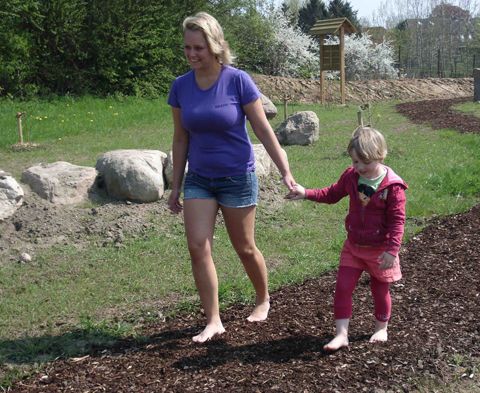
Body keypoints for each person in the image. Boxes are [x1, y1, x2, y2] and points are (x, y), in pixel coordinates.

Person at [167, 12, 296, 343]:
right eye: (187, 48)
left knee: (244, 247)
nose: (192, 54)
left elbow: (263, 130)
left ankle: (263, 298)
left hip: (237, 176)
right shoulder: (180, 87)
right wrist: (176, 185)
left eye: (199, 47)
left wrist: (285, 171)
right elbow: (180, 138)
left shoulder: (237, 80)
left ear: (214, 45)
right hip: (200, 178)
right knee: (198, 246)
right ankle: (213, 320)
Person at [285, 126, 407, 351]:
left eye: (364, 163)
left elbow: (397, 221)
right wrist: (306, 193)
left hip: (380, 250)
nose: (358, 167)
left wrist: (392, 250)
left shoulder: (393, 187)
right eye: (354, 162)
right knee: (342, 287)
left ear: (380, 156)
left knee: (379, 290)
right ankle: (341, 334)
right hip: (354, 247)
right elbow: (331, 194)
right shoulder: (351, 177)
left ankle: (381, 328)